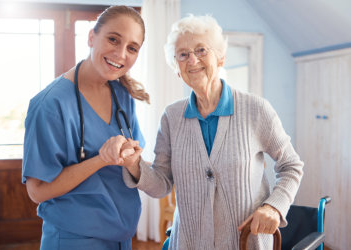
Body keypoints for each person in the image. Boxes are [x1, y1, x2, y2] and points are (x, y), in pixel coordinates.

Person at [120, 14, 304, 249]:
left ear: (220, 57)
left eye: (201, 50)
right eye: (183, 55)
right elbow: (162, 184)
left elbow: (291, 166)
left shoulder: (256, 110)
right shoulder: (171, 117)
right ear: (176, 68)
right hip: (188, 243)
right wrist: (134, 165)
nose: (192, 60)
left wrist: (274, 207)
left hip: (245, 242)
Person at [22, 6, 148, 250]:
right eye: (113, 39)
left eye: (132, 48)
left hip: (121, 235)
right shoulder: (50, 104)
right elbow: (37, 191)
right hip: (74, 238)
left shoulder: (122, 96)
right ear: (92, 37)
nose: (121, 54)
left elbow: (136, 161)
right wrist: (101, 159)